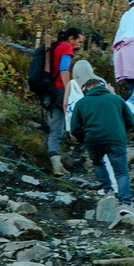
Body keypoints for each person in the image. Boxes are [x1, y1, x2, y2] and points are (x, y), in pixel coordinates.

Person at [67, 70, 134, 211]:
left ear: (85, 90)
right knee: (121, 172)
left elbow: (74, 128)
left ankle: (108, 191)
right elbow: (131, 121)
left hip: (93, 141)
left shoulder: (81, 103)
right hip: (115, 140)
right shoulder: (116, 99)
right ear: (103, 86)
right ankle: (125, 204)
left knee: (98, 162)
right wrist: (122, 133)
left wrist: (84, 140)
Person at [26, 28, 80, 174]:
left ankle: (56, 165)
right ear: (71, 38)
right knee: (81, 119)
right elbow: (63, 68)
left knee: (55, 130)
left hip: (49, 93)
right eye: (79, 41)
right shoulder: (66, 47)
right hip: (60, 90)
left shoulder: (53, 48)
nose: (79, 45)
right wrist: (69, 90)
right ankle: (93, 158)